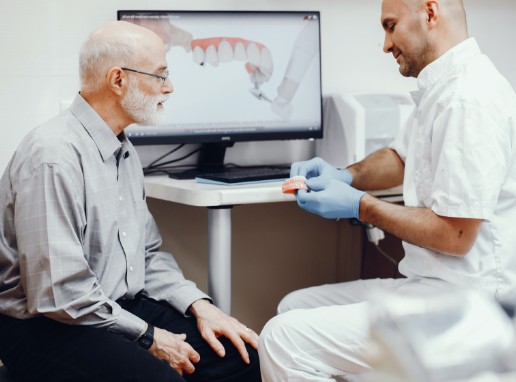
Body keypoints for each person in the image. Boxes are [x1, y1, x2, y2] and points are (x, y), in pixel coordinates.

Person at [259, 0, 516, 380]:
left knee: (284, 338)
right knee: (294, 307)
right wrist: (344, 175)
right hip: (430, 285)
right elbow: (401, 156)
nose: (385, 44)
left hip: (469, 302)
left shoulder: (468, 97)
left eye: (390, 26)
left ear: (430, 12)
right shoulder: (442, 84)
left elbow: (456, 234)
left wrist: (361, 206)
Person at [0, 21, 261, 382]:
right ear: (118, 80)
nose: (169, 87)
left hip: (113, 307)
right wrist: (150, 338)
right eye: (160, 75)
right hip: (48, 325)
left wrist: (200, 306)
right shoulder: (53, 156)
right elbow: (59, 295)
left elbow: (147, 255)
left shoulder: (121, 148)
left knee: (242, 357)